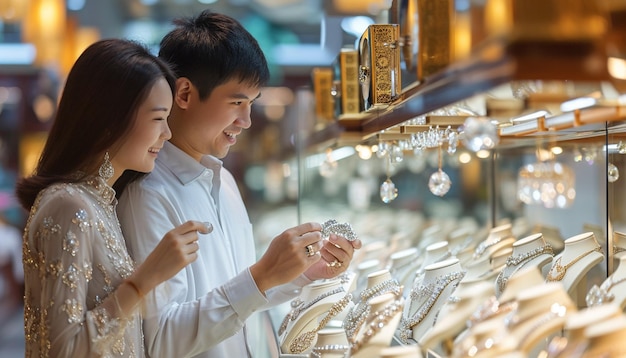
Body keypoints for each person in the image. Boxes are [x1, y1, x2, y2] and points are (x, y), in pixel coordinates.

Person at [116, 9, 362, 357]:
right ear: (184, 94)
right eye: (237, 102)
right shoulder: (148, 194)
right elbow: (160, 342)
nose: (246, 120)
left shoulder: (224, 179)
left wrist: (305, 273)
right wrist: (261, 275)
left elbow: (240, 298)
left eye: (251, 104)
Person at [14, 38, 211, 357]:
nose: (167, 134)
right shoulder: (68, 205)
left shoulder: (100, 203)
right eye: (159, 119)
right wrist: (144, 279)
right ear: (111, 118)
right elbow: (63, 349)